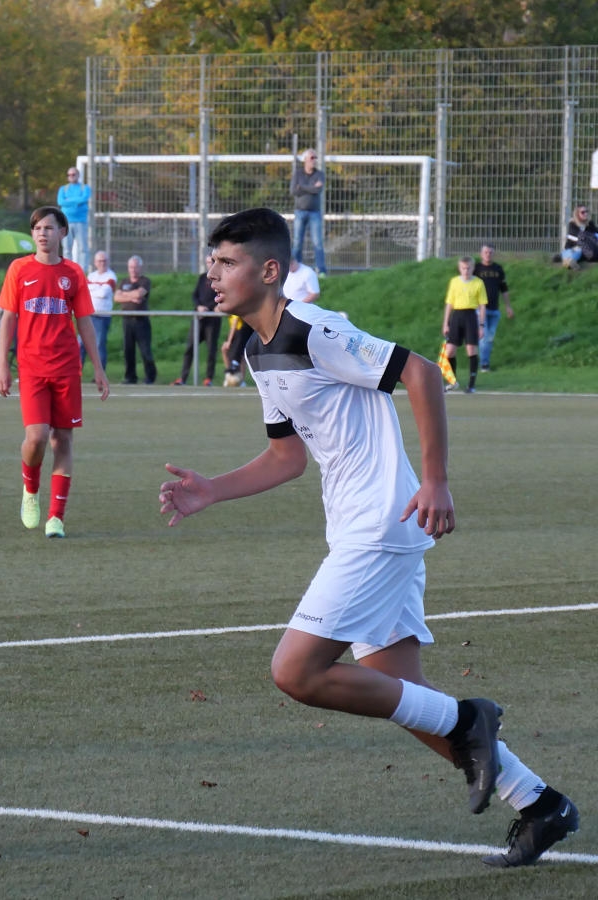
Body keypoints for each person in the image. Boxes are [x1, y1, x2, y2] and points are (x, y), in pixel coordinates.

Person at [159, 206, 579, 870]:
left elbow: (420, 372)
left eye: (227, 262)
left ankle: (470, 720)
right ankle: (540, 803)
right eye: (211, 262)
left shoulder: (314, 329)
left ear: (269, 271)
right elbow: (286, 458)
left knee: (296, 672)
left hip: (381, 523)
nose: (212, 274)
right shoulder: (256, 350)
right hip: (362, 525)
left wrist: (435, 480)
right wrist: (214, 489)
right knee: (405, 697)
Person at [0, 205, 110, 539]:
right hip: (31, 368)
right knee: (36, 437)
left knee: (63, 439)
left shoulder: (73, 273)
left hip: (66, 368)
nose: (42, 234)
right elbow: (8, 318)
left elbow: (85, 322)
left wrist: (98, 368)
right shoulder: (19, 269)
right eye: (37, 228)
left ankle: (56, 517)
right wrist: (2, 364)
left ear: (62, 233)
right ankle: (30, 490)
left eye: (48, 228)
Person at [174, 250, 222, 386]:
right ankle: (183, 378)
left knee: (211, 350)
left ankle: (208, 378)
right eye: (207, 262)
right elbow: (195, 296)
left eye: (211, 262)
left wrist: (210, 308)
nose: (209, 265)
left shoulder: (220, 278)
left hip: (212, 321)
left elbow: (220, 296)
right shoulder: (202, 278)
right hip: (199, 319)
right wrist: (199, 307)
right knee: (190, 348)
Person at [441, 256, 486, 393]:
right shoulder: (454, 282)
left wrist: (481, 325)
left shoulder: (478, 283)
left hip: (470, 316)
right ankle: (452, 381)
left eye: (468, 268)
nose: (466, 271)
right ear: (459, 268)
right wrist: (446, 323)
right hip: (457, 316)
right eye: (463, 268)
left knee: (471, 350)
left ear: (473, 268)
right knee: (449, 351)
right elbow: (449, 303)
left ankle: (471, 385)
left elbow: (482, 305)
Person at [114, 255, 156, 385]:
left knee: (145, 350)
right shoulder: (124, 282)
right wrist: (131, 297)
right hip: (127, 320)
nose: (133, 269)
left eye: (135, 267)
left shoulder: (145, 281)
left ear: (140, 267)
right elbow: (116, 297)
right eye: (131, 267)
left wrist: (125, 295)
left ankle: (150, 376)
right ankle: (130, 377)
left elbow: (139, 293)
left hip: (141, 321)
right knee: (128, 350)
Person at [474, 244, 513, 372]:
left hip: (494, 309)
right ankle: (484, 364)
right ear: (481, 254)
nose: (488, 254)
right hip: (480, 309)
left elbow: (504, 289)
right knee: (484, 336)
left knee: (489, 339)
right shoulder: (476, 269)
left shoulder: (498, 269)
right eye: (486, 252)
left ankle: (484, 361)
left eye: (490, 252)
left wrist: (508, 306)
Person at [290, 149, 327, 275]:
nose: (314, 160)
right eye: (312, 157)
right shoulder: (298, 174)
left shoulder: (319, 174)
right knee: (297, 243)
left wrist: (302, 187)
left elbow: (318, 190)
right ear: (305, 159)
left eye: (315, 157)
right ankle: (295, 271)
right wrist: (312, 187)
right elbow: (293, 191)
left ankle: (321, 270)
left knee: (317, 242)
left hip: (314, 212)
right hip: (300, 211)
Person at [82, 251, 116, 372]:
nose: (102, 263)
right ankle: (77, 373)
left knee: (99, 345)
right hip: (88, 316)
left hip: (102, 316)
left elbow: (103, 294)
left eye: (104, 261)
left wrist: (92, 290)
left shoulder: (111, 276)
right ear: (95, 262)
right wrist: (97, 289)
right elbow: (84, 292)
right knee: (81, 344)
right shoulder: (91, 276)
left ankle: (100, 373)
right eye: (100, 261)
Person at [56, 166, 92, 268]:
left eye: (73, 174)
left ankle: (82, 269)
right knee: (67, 248)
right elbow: (60, 202)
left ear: (78, 175)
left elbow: (84, 199)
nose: (71, 176)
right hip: (66, 222)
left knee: (83, 248)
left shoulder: (85, 188)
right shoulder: (63, 189)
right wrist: (76, 201)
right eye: (69, 175)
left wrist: (69, 201)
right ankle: (67, 268)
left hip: (81, 221)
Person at [560, 204, 598, 270]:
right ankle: (570, 262)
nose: (586, 214)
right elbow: (576, 239)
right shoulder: (573, 224)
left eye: (586, 211)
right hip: (575, 247)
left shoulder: (590, 223)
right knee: (577, 250)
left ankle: (570, 261)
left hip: (589, 249)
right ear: (577, 214)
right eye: (583, 212)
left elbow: (596, 234)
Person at [220, 314, 254, 387]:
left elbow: (234, 324)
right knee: (224, 349)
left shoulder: (235, 310)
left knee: (241, 356)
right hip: (235, 331)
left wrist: (229, 341)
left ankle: (241, 381)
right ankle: (228, 376)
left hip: (240, 331)